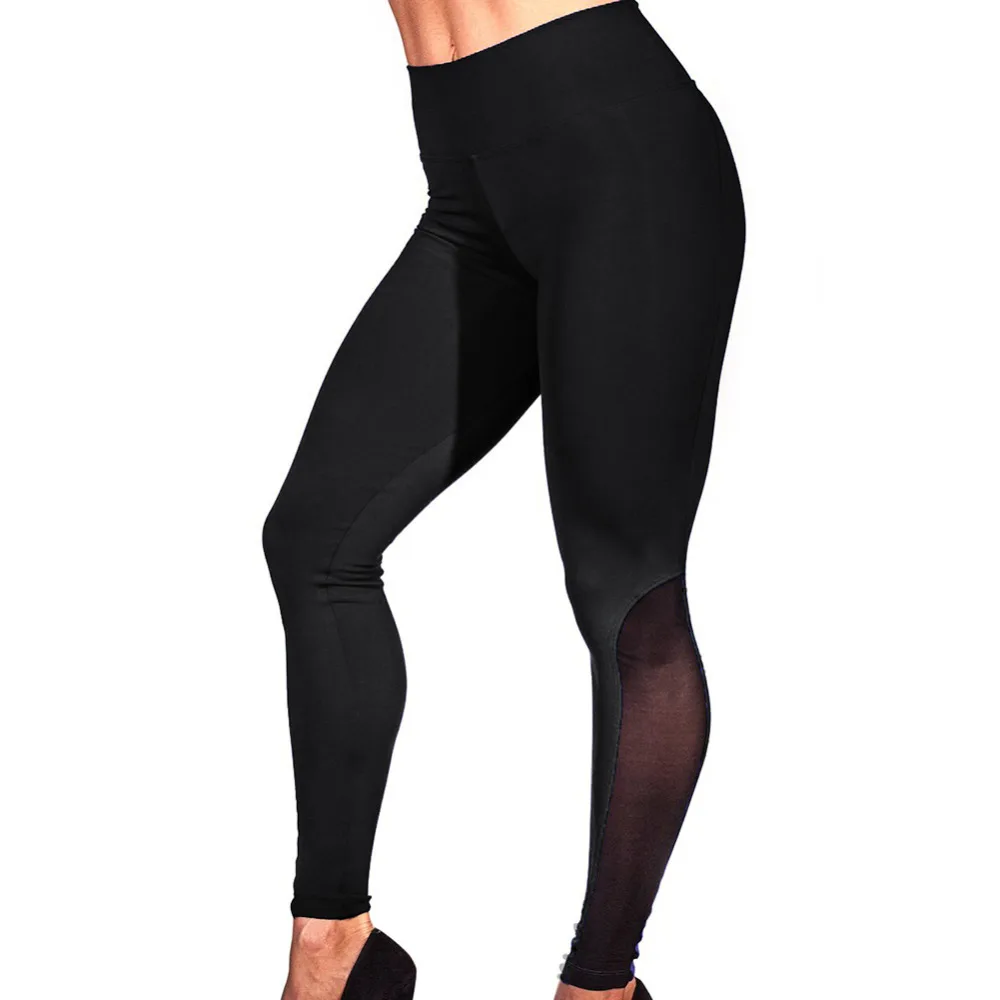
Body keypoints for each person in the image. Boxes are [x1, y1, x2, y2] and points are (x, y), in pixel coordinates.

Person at [262, 0, 744, 997]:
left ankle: (600, 985)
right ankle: (332, 949)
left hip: (621, 160)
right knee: (314, 540)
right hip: (467, 183)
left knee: (624, 592)